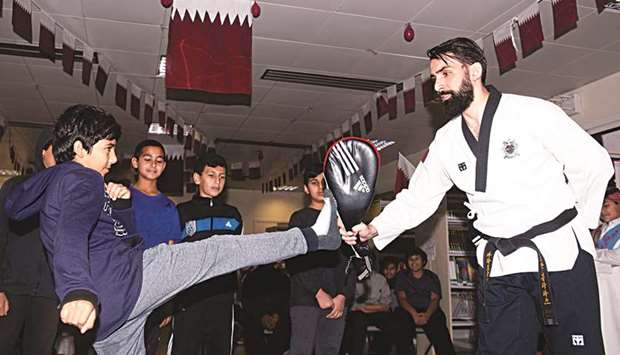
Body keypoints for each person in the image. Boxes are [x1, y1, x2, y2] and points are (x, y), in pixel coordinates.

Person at [341, 37, 613, 355]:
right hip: (500, 265)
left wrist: (580, 222)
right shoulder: (446, 140)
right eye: (434, 77)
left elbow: (593, 163)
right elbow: (418, 198)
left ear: (474, 71)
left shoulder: (532, 113)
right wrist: (374, 229)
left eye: (445, 73)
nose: (438, 85)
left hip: (558, 256)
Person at [3, 104, 342, 355]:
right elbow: (71, 233)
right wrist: (76, 289)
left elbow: (107, 238)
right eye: (108, 149)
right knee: (217, 250)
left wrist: (119, 206)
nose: (113, 158)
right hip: (123, 283)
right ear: (79, 149)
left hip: (111, 318)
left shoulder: (58, 184)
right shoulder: (80, 177)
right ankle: (315, 237)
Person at [171, 152, 243, 355]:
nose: (217, 182)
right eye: (211, 175)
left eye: (222, 177)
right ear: (197, 178)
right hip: (189, 295)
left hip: (222, 295)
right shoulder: (181, 212)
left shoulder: (234, 215)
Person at [0, 129, 57, 355]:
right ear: (43, 152)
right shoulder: (17, 187)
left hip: (49, 294)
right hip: (11, 287)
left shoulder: (69, 193)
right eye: (56, 150)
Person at [287, 165, 354, 355]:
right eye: (314, 183)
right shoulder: (299, 219)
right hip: (306, 298)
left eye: (324, 183)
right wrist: (317, 292)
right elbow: (295, 261)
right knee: (301, 351)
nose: (320, 187)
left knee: (330, 350)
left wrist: (343, 295)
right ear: (306, 188)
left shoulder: (342, 219)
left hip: (337, 300)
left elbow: (351, 260)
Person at [129, 139, 182, 355]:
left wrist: (168, 301)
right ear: (135, 162)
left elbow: (171, 256)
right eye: (147, 159)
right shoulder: (121, 197)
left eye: (159, 160)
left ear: (164, 166)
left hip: (153, 289)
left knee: (148, 347)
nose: (153, 164)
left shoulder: (169, 207)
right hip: (123, 284)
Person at [394, 248, 455, 355]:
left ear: (423, 261)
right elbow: (402, 298)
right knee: (401, 327)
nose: (414, 262)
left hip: (429, 309)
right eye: (410, 259)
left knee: (440, 330)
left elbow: (434, 299)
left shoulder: (431, 277)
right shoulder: (402, 277)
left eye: (417, 259)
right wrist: (414, 314)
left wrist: (427, 315)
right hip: (408, 310)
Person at [341, 267, 411, 355]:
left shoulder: (380, 279)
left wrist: (371, 308)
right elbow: (350, 302)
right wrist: (362, 307)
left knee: (394, 323)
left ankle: (383, 351)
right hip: (358, 311)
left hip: (377, 310)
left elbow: (386, 304)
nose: (363, 266)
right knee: (356, 323)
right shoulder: (352, 278)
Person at [240, 261, 291, 355]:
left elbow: (287, 300)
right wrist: (262, 316)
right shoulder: (251, 279)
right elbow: (247, 302)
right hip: (259, 319)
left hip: (275, 319)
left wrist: (275, 316)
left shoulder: (282, 278)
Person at [594, 187, 620, 354]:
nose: (603, 211)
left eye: (607, 206)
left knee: (614, 329)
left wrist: (594, 254)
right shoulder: (599, 230)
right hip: (599, 287)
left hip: (616, 286)